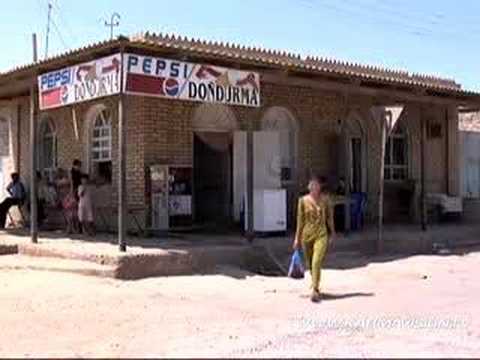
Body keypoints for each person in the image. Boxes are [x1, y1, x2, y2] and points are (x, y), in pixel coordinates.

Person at [293, 175, 336, 303]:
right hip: (307, 236)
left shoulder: (325, 200)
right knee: (310, 263)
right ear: (309, 187)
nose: (315, 187)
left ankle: (315, 290)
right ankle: (314, 283)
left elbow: (329, 217)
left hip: (321, 234)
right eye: (312, 185)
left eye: (317, 185)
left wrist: (332, 232)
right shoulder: (303, 201)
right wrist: (297, 239)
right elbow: (300, 221)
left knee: (316, 261)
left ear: (320, 187)